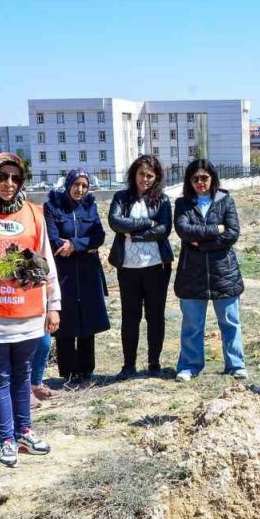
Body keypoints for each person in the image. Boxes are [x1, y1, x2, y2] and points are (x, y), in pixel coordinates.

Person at [0, 153, 60, 467]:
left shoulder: (35, 213)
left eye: (15, 178)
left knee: (22, 376)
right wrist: (1, 270)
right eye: (2, 177)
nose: (8, 183)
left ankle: (24, 432)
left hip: (29, 312)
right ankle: (5, 438)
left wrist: (53, 305)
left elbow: (47, 261)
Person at [173, 159, 246, 380]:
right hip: (191, 274)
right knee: (192, 324)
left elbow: (232, 233)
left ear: (212, 178)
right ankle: (190, 365)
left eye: (204, 177)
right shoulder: (183, 204)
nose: (200, 182)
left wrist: (202, 243)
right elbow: (184, 230)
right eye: (195, 178)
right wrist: (216, 229)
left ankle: (235, 364)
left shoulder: (225, 200)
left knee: (230, 321)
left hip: (224, 272)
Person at [107, 155, 173, 379]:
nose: (145, 179)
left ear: (156, 178)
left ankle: (154, 363)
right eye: (142, 174)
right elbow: (115, 222)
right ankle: (128, 365)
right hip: (128, 268)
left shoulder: (162, 200)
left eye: (150, 176)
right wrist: (147, 223)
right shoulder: (121, 198)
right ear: (134, 174)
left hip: (156, 267)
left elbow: (164, 230)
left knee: (155, 316)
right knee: (130, 317)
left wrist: (133, 235)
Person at [44, 168, 109, 385]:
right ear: (68, 184)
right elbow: (53, 240)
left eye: (84, 185)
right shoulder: (52, 206)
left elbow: (98, 236)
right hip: (63, 272)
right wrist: (83, 245)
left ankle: (86, 369)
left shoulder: (89, 206)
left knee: (87, 319)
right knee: (66, 319)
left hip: (88, 271)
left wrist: (73, 245)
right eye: (76, 184)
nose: (80, 189)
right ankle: (68, 372)